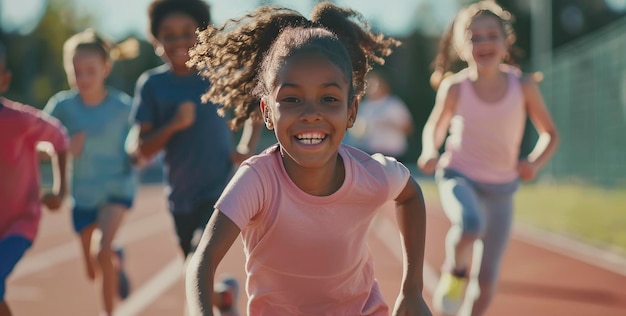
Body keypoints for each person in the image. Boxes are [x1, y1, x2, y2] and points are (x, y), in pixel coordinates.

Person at [184, 2, 432, 316]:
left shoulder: (370, 174)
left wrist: (412, 290)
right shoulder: (257, 180)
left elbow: (410, 195)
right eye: (291, 99)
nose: (311, 114)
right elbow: (202, 264)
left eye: (329, 99)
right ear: (267, 113)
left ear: (351, 111)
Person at [417, 2, 560, 316]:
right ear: (462, 46)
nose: (483, 44)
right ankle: (454, 272)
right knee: (470, 225)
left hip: (502, 189)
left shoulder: (523, 86)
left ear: (506, 41)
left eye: (491, 35)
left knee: (487, 280)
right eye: (474, 37)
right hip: (459, 175)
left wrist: (533, 163)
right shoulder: (455, 88)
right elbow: (435, 127)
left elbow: (550, 133)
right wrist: (430, 150)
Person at [127, 0, 262, 314]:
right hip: (179, 196)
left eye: (189, 33)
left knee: (196, 263)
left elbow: (256, 108)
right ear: (156, 40)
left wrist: (246, 147)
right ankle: (223, 298)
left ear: (204, 35)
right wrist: (173, 125)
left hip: (219, 192)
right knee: (193, 271)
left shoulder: (219, 75)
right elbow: (141, 150)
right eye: (169, 35)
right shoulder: (152, 85)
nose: (180, 42)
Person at [43, 29, 138, 316]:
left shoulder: (124, 107)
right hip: (82, 196)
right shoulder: (62, 106)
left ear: (105, 69)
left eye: (90, 71)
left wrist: (138, 152)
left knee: (101, 251)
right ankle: (115, 260)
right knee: (91, 270)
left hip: (117, 190)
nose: (83, 78)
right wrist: (61, 147)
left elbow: (141, 138)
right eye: (76, 71)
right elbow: (36, 144)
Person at [0, 41, 69, 316]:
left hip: (20, 222)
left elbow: (60, 137)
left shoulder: (20, 120)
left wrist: (61, 190)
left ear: (4, 80)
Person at [346, 68, 413, 158]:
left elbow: (409, 129)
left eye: (375, 84)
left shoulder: (394, 104)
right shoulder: (364, 106)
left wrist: (390, 124)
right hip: (371, 152)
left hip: (393, 153)